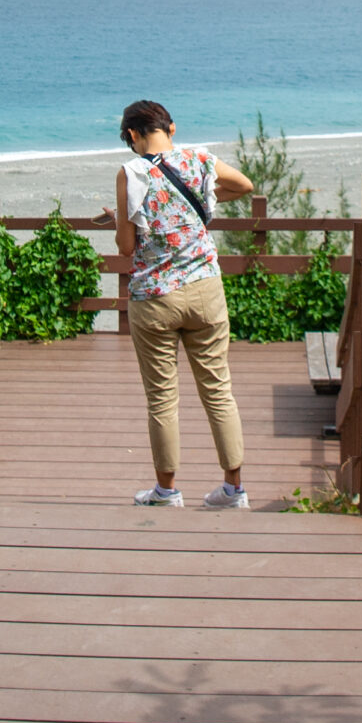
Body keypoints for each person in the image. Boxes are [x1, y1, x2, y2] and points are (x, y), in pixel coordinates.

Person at [114, 100, 255, 509]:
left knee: (162, 397)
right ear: (170, 128)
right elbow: (244, 185)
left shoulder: (131, 173)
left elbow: (126, 248)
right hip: (205, 289)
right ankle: (234, 489)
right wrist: (200, 205)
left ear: (134, 135)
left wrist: (124, 218)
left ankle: (166, 491)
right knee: (218, 390)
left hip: (155, 298)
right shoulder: (200, 160)